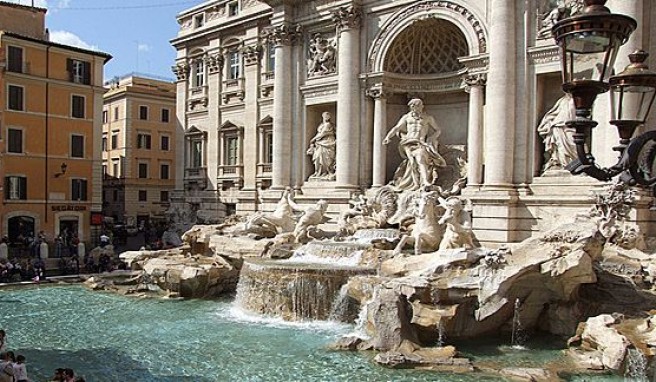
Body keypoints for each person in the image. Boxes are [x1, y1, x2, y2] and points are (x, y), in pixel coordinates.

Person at [383, 98, 446, 191]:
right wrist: (388, 137)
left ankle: (421, 182)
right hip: (408, 142)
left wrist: (431, 138)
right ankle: (421, 182)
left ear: (421, 106)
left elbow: (438, 130)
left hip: (420, 142)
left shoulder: (428, 118)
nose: (413, 107)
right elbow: (396, 128)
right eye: (412, 106)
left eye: (416, 105)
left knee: (419, 157)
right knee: (415, 160)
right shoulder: (406, 117)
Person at [537, 93, 577, 172]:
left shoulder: (578, 100)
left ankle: (574, 164)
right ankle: (559, 163)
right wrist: (549, 122)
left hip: (570, 128)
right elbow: (553, 113)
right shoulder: (562, 100)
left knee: (573, 144)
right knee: (559, 147)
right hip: (558, 126)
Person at [307, 112, 337, 180]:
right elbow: (319, 133)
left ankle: (327, 172)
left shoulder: (328, 125)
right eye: (325, 116)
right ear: (323, 116)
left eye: (328, 116)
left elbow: (323, 133)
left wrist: (313, 139)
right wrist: (314, 139)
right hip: (320, 143)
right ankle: (318, 172)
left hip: (328, 142)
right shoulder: (321, 125)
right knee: (318, 157)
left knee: (326, 158)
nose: (327, 117)